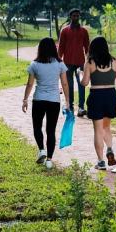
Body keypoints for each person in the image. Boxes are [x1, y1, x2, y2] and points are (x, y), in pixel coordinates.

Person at [22, 37, 70, 169]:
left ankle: (41, 150)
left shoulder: (34, 64)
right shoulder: (60, 64)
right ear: (54, 49)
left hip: (38, 100)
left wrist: (25, 99)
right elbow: (65, 83)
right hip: (54, 101)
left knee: (37, 127)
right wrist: (67, 101)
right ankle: (49, 160)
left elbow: (30, 84)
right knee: (51, 130)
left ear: (40, 49)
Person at [81, 36, 116, 170]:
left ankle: (101, 161)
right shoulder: (114, 61)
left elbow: (84, 83)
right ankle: (110, 148)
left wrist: (80, 75)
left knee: (97, 130)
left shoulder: (90, 62)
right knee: (106, 127)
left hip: (96, 96)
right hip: (110, 95)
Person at [58, 8, 89, 117]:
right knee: (69, 85)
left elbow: (87, 48)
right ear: (70, 17)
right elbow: (61, 47)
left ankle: (81, 107)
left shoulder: (84, 31)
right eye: (74, 16)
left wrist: (88, 61)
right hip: (67, 63)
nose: (76, 18)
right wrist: (58, 61)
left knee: (82, 84)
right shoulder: (65, 31)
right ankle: (70, 106)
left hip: (80, 62)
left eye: (77, 16)